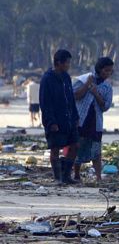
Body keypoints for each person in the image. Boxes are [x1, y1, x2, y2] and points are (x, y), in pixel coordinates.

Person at [39, 50, 80, 184]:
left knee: (75, 146)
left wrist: (76, 117)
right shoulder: (47, 79)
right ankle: (57, 178)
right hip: (55, 120)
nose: (69, 65)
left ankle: (67, 176)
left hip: (69, 120)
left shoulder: (66, 77)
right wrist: (51, 122)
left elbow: (71, 99)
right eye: (67, 62)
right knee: (55, 149)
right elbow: (45, 103)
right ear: (58, 63)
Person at [72, 57, 114, 182]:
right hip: (81, 120)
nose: (108, 74)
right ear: (99, 69)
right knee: (77, 147)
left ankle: (98, 177)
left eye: (110, 71)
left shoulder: (107, 87)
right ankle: (77, 174)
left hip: (96, 122)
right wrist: (87, 86)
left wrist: (96, 93)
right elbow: (74, 95)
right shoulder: (84, 79)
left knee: (96, 150)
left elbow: (106, 106)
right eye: (106, 70)